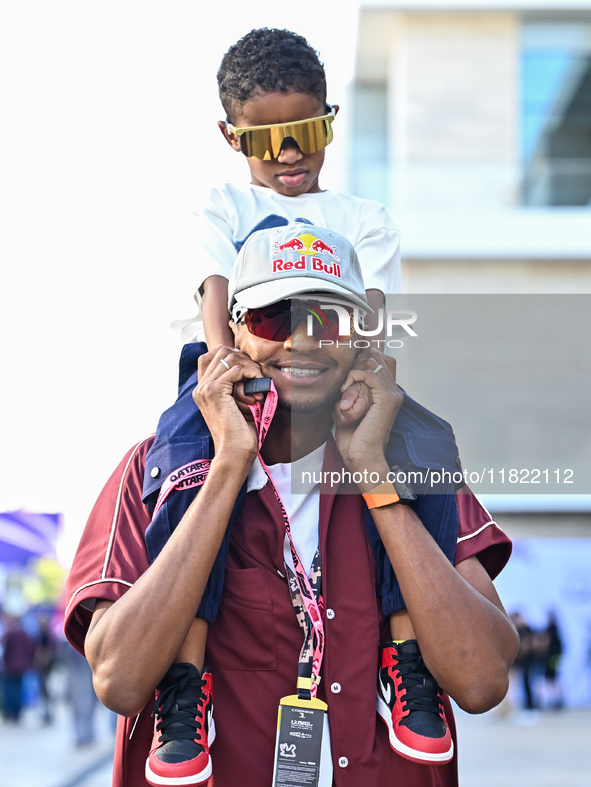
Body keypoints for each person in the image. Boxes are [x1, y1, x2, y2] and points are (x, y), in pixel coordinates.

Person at [65, 225, 517, 787]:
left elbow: (481, 681)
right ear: (234, 332)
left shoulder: (415, 463)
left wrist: (376, 479)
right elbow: (120, 681)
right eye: (274, 318)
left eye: (328, 320)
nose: (303, 342)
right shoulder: (152, 470)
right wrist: (230, 462)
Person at [182, 27, 400, 348]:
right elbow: (216, 291)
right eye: (266, 139)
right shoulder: (220, 207)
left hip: (323, 364)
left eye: (308, 133)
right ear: (232, 136)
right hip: (228, 360)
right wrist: (228, 366)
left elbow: (370, 314)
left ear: (330, 119)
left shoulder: (366, 220)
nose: (290, 154)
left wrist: (368, 374)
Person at [1, 615, 35, 723]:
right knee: (18, 690)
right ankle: (16, 713)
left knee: (10, 690)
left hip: (10, 667)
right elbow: (30, 650)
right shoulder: (25, 635)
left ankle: (10, 711)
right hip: (21, 667)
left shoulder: (9, 634)